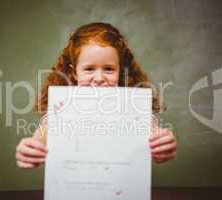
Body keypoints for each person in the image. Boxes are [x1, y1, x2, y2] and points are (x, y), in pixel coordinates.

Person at [15, 22, 177, 169]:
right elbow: (45, 132)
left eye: (108, 69)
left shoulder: (133, 106)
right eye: (89, 69)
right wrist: (32, 148)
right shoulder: (64, 106)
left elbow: (151, 132)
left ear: (120, 71)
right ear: (74, 72)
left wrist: (162, 143)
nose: (99, 79)